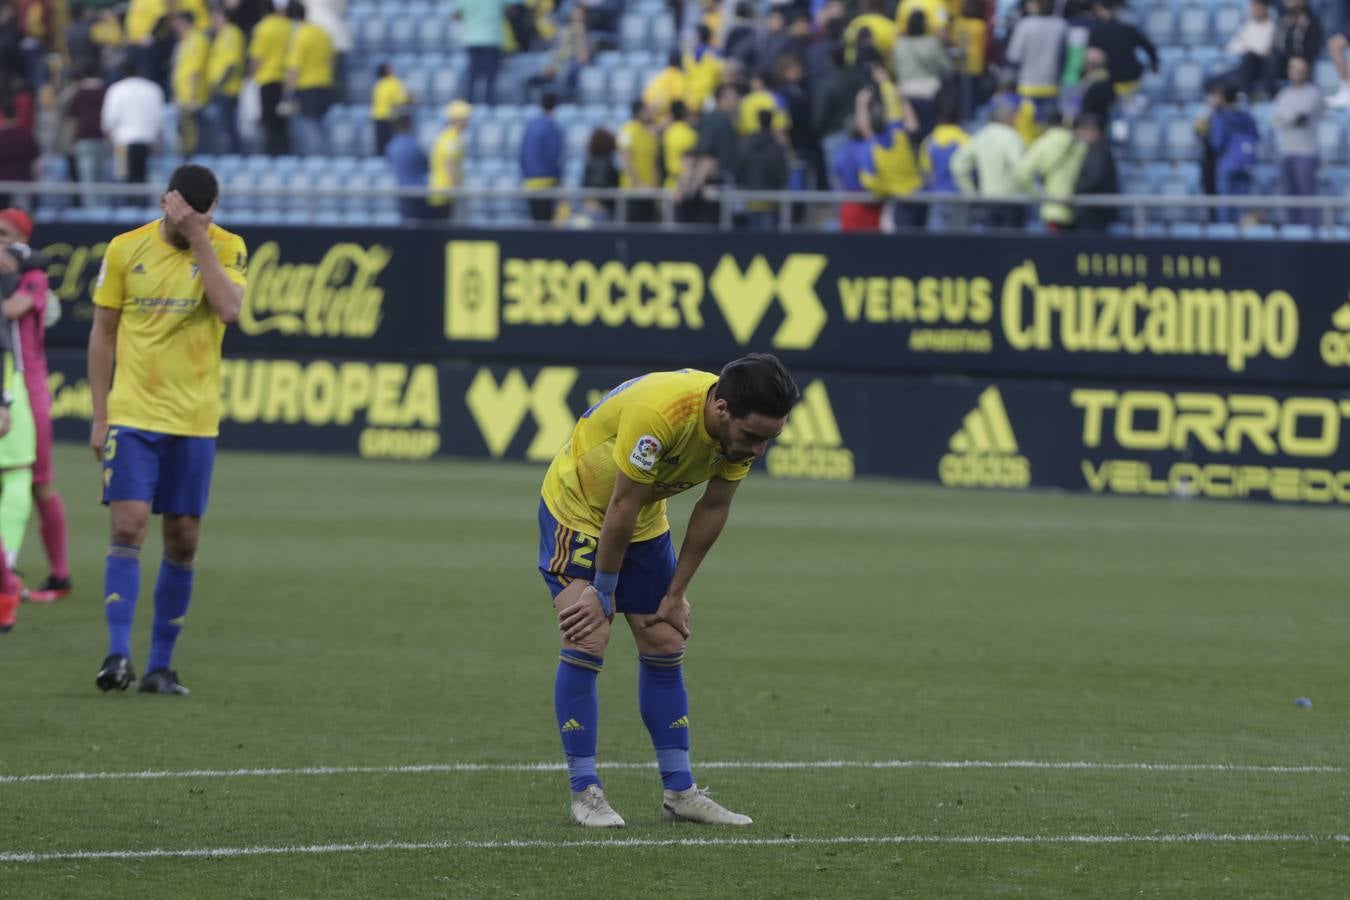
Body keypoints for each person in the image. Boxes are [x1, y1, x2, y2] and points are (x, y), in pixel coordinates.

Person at [539, 355, 799, 828]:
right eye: (753, 437)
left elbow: (713, 507)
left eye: (769, 439)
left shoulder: (736, 440)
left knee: (664, 637)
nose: (758, 451)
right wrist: (603, 590)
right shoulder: (659, 414)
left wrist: (676, 592)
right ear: (721, 409)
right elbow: (619, 504)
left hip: (639, 518)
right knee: (589, 635)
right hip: (579, 510)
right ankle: (585, 792)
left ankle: (680, 792)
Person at [90, 164, 247, 695]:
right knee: (128, 526)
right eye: (186, 220)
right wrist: (99, 414)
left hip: (194, 419)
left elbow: (228, 310)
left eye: (204, 218)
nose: (194, 227)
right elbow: (103, 335)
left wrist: (201, 239)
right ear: (166, 204)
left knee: (183, 538)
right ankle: (117, 656)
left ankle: (160, 666)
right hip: (134, 414)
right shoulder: (123, 249)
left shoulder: (226, 247)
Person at [0, 208, 67, 601]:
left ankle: (59, 574)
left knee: (38, 480)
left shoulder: (33, 276)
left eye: (6, 233)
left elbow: (11, 311)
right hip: (8, 380)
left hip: (27, 386)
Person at [951, 93, 1027, 229]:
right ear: (1008, 116)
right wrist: (1034, 194)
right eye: (1014, 114)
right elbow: (1021, 169)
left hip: (987, 201)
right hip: (1011, 203)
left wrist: (971, 194)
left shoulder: (981, 135)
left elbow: (957, 165)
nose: (1016, 119)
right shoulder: (1012, 137)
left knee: (992, 246)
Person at [1271, 56, 1323, 225]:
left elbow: (1301, 118)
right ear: (1288, 71)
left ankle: (1309, 234)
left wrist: (1288, 117)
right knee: (1289, 196)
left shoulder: (1313, 92)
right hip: (1287, 151)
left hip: (1306, 152)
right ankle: (1292, 231)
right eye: (1294, 69)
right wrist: (1290, 117)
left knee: (1306, 195)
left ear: (1306, 71)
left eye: (1301, 69)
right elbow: (1276, 120)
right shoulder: (1284, 93)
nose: (1297, 73)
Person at [101, 58, 165, 193]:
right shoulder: (153, 88)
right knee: (145, 184)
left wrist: (109, 139)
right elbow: (159, 119)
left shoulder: (116, 89)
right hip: (148, 143)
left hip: (122, 144)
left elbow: (108, 120)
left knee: (124, 184)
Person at [1014, 115, 1086, 232]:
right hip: (1079, 207)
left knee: (1056, 249)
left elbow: (1022, 174)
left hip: (1053, 208)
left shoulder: (1043, 143)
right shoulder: (1079, 144)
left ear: (1047, 125)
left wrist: (1038, 195)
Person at [284, 2, 335, 157]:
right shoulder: (321, 32)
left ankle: (316, 161)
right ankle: (325, 158)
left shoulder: (300, 36)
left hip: (308, 86)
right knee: (321, 125)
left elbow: (294, 69)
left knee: (309, 126)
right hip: (325, 83)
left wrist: (287, 94)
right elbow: (332, 59)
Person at [893, 8, 952, 141]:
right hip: (929, 92)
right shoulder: (932, 43)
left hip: (905, 93)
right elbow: (946, 67)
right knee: (928, 133)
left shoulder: (899, 44)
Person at [1005, 0, 1067, 125]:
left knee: (1026, 127)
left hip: (1027, 84)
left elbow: (1014, 55)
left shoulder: (1025, 25)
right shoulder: (1061, 25)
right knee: (1047, 127)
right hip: (1052, 84)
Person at [1207, 82, 1259, 224]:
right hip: (1245, 164)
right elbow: (1255, 136)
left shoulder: (1219, 117)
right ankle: (1242, 236)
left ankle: (1225, 238)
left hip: (1226, 163)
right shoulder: (1247, 116)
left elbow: (1216, 143)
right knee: (1242, 201)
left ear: (1223, 98)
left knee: (1225, 202)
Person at [248, 1, 294, 155]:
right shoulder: (287, 26)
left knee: (269, 121)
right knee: (283, 121)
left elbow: (257, 57)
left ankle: (272, 154)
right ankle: (286, 154)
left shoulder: (262, 28)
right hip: (286, 79)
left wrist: (250, 77)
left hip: (267, 78)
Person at [1087, 0, 1158, 99]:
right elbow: (1150, 47)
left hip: (1109, 82)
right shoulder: (1128, 29)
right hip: (1131, 78)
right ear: (1116, 9)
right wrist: (1155, 65)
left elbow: (1092, 59)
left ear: (1099, 8)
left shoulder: (1095, 32)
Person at [918, 100, 969, 231]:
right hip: (960, 197)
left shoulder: (929, 140)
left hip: (938, 196)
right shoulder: (965, 139)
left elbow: (926, 172)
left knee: (936, 242)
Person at [737, 108, 790, 230]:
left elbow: (739, 169)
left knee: (752, 240)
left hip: (750, 199)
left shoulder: (747, 145)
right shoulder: (776, 147)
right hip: (770, 201)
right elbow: (782, 174)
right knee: (768, 242)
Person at [66, 65, 108, 208]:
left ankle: (90, 210)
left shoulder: (79, 92)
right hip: (102, 137)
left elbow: (72, 116)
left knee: (87, 178)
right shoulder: (105, 91)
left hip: (83, 138)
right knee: (102, 177)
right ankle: (102, 210)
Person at [206, 6, 246, 154]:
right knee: (226, 127)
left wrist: (219, 84)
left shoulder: (230, 33)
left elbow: (231, 63)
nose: (212, 20)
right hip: (222, 88)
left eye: (215, 16)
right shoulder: (222, 35)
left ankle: (235, 156)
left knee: (228, 128)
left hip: (227, 89)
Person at [520, 92, 565, 223]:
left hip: (530, 181)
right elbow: (555, 156)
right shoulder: (554, 128)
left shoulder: (530, 126)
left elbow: (522, 154)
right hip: (547, 182)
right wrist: (559, 179)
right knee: (546, 223)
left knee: (535, 222)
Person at [1218, 0, 1277, 99]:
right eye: (1253, 6)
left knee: (1249, 57)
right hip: (1243, 66)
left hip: (1260, 67)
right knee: (1213, 82)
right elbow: (1232, 46)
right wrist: (1246, 48)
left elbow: (1263, 50)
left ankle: (1246, 94)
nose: (1254, 9)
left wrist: (1247, 48)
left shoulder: (1273, 26)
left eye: (1257, 6)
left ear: (1265, 8)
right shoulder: (1248, 25)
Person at [170, 12, 209, 157]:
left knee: (191, 132)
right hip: (183, 95)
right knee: (184, 132)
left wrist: (193, 95)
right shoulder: (185, 41)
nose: (174, 26)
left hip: (191, 96)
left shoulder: (196, 40)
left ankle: (192, 162)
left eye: (178, 22)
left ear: (186, 23)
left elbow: (195, 69)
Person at [456, 0, 509, 105]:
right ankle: (489, 105)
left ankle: (469, 103)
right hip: (491, 38)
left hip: (472, 38)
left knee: (472, 75)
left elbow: (457, 15)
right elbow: (514, 6)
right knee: (490, 76)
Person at [1071, 113, 1117, 232]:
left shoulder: (1099, 150)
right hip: (1091, 209)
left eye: (1083, 130)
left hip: (1096, 210)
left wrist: (1075, 190)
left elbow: (1095, 178)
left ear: (1093, 130)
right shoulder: (1093, 149)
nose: (1080, 134)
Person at [618, 100, 660, 223]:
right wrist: (638, 185)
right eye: (647, 109)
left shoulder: (650, 133)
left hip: (650, 191)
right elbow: (626, 161)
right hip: (632, 192)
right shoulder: (627, 130)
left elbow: (654, 164)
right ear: (640, 112)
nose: (650, 112)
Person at [428, 100, 471, 220]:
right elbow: (450, 164)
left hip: (442, 191)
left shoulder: (447, 135)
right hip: (445, 192)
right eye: (465, 118)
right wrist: (457, 188)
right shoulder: (451, 138)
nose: (468, 121)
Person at [384, 114, 430, 221]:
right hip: (418, 190)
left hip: (401, 189)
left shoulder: (391, 145)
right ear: (408, 125)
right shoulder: (413, 145)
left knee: (407, 222)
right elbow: (426, 164)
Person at [579, 127, 619, 222]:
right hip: (601, 209)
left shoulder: (592, 161)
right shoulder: (604, 163)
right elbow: (600, 185)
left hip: (594, 207)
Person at [371, 63, 411, 156]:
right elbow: (400, 100)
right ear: (387, 71)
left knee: (380, 144)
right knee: (389, 144)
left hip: (377, 116)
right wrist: (410, 98)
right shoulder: (394, 83)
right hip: (389, 117)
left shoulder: (378, 84)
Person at [684, 24, 724, 112]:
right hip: (709, 98)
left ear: (697, 36)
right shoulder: (716, 53)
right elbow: (721, 73)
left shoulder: (689, 54)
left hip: (692, 97)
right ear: (710, 36)